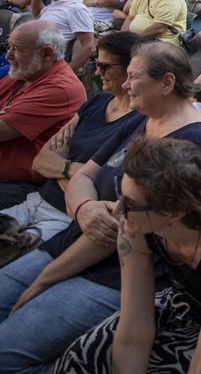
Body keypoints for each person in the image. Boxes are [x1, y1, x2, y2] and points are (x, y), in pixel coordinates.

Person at [0, 42, 201, 372]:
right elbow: (83, 175)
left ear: (166, 82)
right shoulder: (143, 120)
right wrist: (85, 208)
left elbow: (118, 233)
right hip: (68, 244)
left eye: (133, 77)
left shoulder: (191, 145)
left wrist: (44, 281)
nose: (125, 84)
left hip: (113, 273)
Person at [53, 137, 201, 373]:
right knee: (83, 354)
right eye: (120, 193)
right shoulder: (135, 224)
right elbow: (134, 328)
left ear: (174, 212)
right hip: (188, 302)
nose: (118, 209)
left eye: (130, 204)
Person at [0, 32, 144, 249]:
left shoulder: (141, 121)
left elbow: (106, 185)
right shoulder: (98, 101)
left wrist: (61, 166)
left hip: (67, 218)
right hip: (35, 202)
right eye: (96, 63)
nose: (97, 72)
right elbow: (40, 160)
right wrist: (80, 173)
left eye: (105, 66)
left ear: (132, 69)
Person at [0, 20, 88, 210]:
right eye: (9, 46)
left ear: (46, 54)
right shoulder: (24, 75)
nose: (8, 56)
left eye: (17, 49)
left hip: (19, 186)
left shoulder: (60, 87)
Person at [29, 0, 95, 74]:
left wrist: (64, 73)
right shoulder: (56, 4)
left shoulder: (76, 9)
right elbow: (37, 13)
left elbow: (89, 47)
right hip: (30, 59)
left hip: (43, 66)